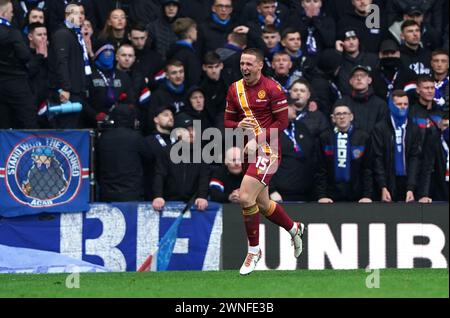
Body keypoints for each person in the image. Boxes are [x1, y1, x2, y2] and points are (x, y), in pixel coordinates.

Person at [224, 48, 305, 275]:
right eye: (242, 64)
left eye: (249, 64)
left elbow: (282, 123)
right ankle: (294, 228)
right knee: (262, 204)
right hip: (250, 151)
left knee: (244, 196)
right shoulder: (235, 89)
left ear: (260, 65)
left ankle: (254, 250)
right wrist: (237, 126)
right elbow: (228, 121)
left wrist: (258, 139)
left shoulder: (273, 88)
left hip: (269, 150)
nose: (244, 68)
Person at [151, 112, 210, 212]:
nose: (191, 133)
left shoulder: (202, 154)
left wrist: (202, 196)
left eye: (193, 129)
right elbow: (159, 175)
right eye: (187, 130)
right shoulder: (167, 152)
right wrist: (158, 196)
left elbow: (204, 177)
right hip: (169, 203)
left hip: (193, 205)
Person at [316, 103, 373, 203]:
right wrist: (322, 195)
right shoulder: (324, 137)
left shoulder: (363, 137)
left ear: (351, 117)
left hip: (358, 196)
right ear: (333, 118)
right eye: (338, 114)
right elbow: (320, 169)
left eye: (345, 113)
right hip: (330, 197)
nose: (342, 117)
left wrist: (367, 195)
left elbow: (367, 169)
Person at [372, 90, 421, 202]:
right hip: (387, 181)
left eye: (405, 104)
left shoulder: (413, 128)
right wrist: (383, 187)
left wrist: (411, 188)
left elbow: (415, 159)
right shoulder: (380, 128)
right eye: (399, 104)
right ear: (391, 105)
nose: (402, 107)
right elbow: (377, 159)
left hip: (408, 182)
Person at [47, 2, 91, 129]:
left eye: (82, 13)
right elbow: (62, 62)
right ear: (67, 15)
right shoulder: (62, 34)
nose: (80, 16)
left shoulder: (76, 35)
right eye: (75, 13)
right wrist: (65, 88)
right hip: (68, 93)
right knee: (66, 129)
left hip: (77, 90)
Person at [97, 103, 152, 202]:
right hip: (133, 192)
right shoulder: (137, 137)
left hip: (107, 193)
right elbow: (148, 162)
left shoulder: (103, 138)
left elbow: (97, 164)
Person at [0, 0, 38, 129]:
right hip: (16, 83)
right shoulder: (12, 32)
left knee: (3, 126)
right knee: (28, 123)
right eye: (11, 12)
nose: (12, 15)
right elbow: (24, 56)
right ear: (3, 13)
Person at [340, 65, 388, 134]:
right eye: (356, 76)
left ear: (369, 80)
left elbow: (383, 130)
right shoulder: (342, 103)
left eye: (363, 76)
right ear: (350, 81)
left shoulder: (381, 105)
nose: (359, 78)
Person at [418, 113, 449, 202]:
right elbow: (427, 168)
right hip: (440, 191)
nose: (448, 129)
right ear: (440, 126)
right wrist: (424, 194)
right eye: (446, 126)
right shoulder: (434, 141)